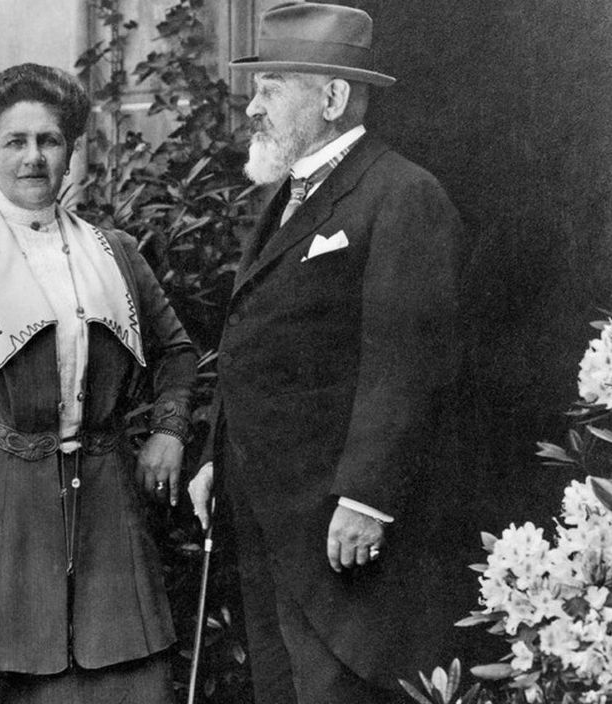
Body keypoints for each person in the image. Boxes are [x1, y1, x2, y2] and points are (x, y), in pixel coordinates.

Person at [0, 63, 196, 704]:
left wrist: (169, 431)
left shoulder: (115, 252)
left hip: (101, 506)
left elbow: (177, 354)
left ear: (70, 152)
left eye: (49, 140)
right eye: (14, 142)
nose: (34, 157)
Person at [188, 3, 472, 703]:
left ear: (334, 97)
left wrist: (367, 497)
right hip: (268, 510)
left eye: (271, 88)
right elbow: (256, 334)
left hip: (335, 523)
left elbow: (407, 361)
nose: (252, 108)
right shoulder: (285, 196)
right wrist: (217, 453)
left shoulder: (402, 194)